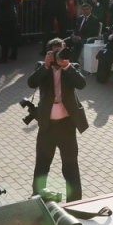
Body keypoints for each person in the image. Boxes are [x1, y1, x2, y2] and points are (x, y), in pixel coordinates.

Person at [28, 38, 88, 202]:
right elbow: (31, 82)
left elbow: (82, 84)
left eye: (60, 51)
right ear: (48, 53)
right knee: (42, 165)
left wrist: (66, 66)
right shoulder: (42, 67)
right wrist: (46, 65)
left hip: (66, 126)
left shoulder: (71, 67)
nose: (58, 55)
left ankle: (74, 202)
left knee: (70, 166)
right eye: (54, 52)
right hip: (47, 126)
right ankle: (38, 198)